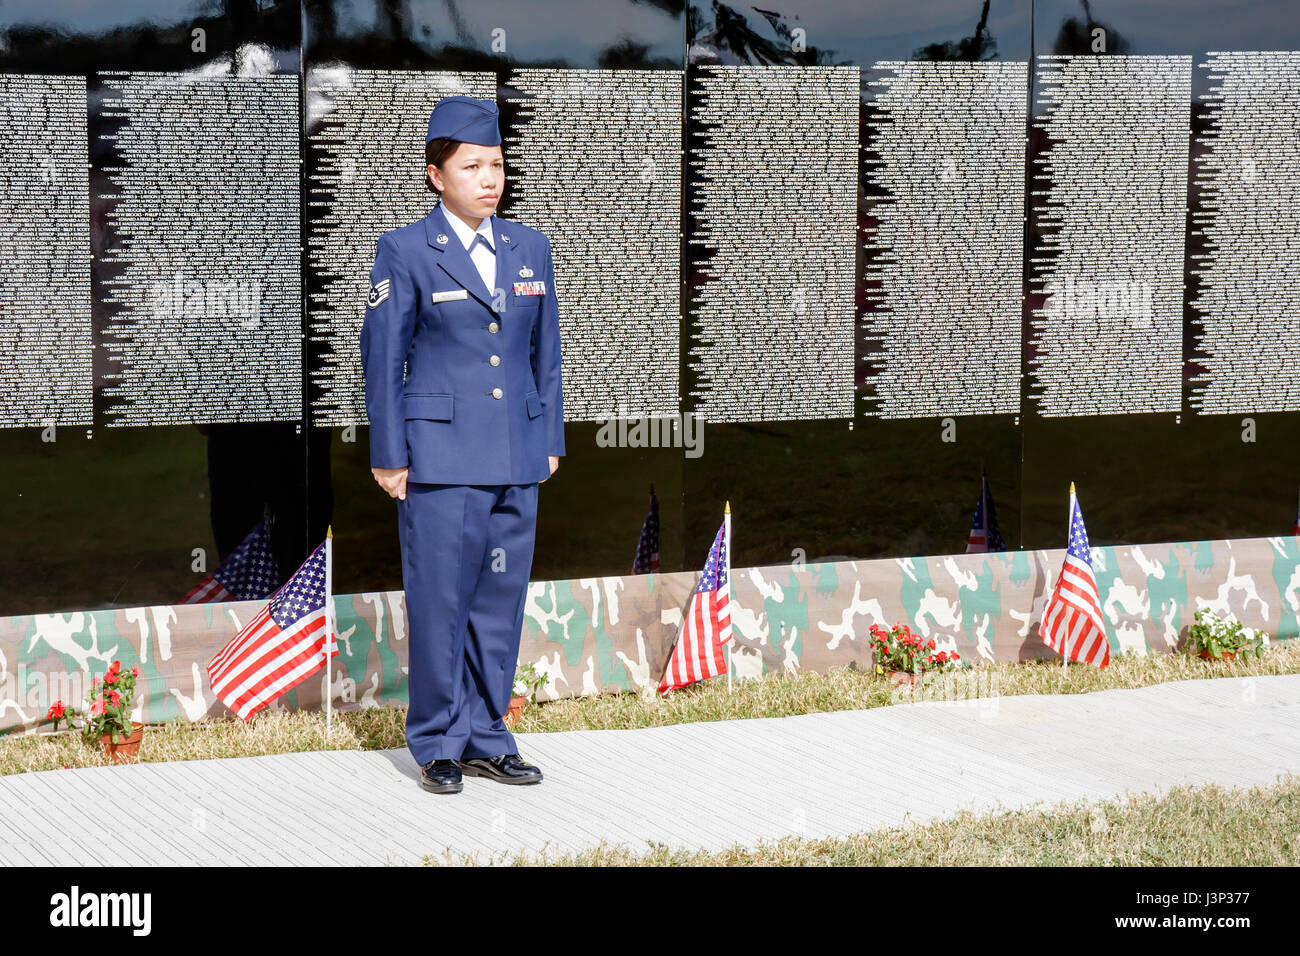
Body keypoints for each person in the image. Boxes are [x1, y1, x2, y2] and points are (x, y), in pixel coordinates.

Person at [359, 95, 565, 794]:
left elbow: (546, 354)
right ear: (435, 175)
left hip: (514, 454)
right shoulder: (408, 250)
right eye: (471, 165)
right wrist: (389, 453)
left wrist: (549, 438)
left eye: (497, 164)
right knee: (441, 600)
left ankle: (487, 735)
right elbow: (383, 358)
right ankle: (437, 741)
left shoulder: (527, 246)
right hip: (441, 458)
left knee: (499, 603)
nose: (489, 177)